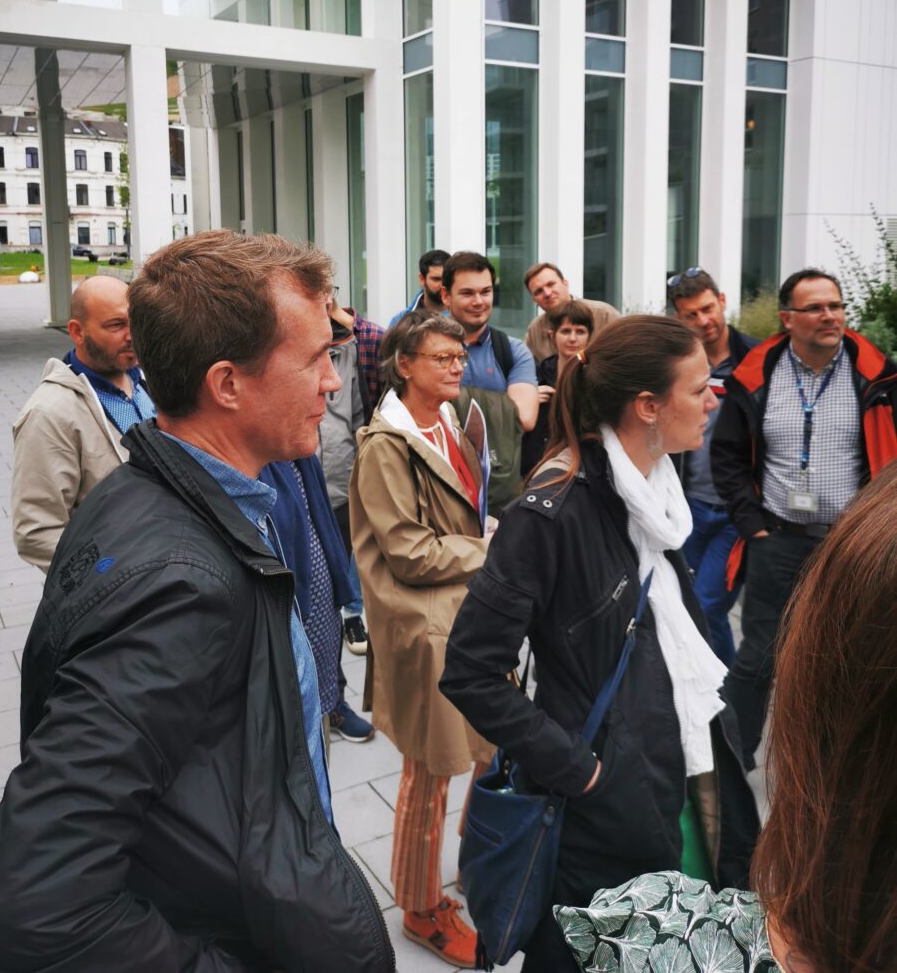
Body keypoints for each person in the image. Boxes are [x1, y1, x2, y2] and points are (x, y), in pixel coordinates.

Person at [0, 231, 394, 973]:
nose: (333, 381)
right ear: (227, 384)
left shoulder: (168, 487)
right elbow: (27, 908)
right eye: (317, 357)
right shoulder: (179, 583)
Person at [441, 316, 759, 972]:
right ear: (648, 406)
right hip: (604, 809)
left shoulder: (658, 494)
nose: (713, 398)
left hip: (682, 770)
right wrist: (580, 770)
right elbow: (470, 671)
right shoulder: (550, 514)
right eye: (698, 387)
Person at [556, 461, 897, 973]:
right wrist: (576, 766)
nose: (708, 417)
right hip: (612, 770)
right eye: (698, 394)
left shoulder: (654, 939)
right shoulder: (565, 507)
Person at [349, 310, 493, 968]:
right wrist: (489, 551)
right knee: (427, 771)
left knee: (480, 750)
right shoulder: (387, 445)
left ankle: (467, 866)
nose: (457, 366)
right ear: (404, 365)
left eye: (459, 357)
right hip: (424, 627)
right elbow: (408, 552)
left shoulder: (448, 421)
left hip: (463, 612)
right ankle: (418, 908)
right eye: (442, 358)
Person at [712, 267, 897, 769]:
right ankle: (729, 767)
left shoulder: (877, 377)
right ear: (787, 318)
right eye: (815, 308)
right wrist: (751, 523)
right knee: (757, 658)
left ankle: (832, 766)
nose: (829, 316)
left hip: (849, 544)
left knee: (847, 657)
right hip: (777, 537)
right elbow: (727, 456)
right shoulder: (757, 376)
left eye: (835, 305)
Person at [10, 273, 155, 570]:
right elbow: (36, 532)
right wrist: (111, 575)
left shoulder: (147, 382)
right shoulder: (48, 414)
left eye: (135, 322)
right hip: (123, 586)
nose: (132, 335)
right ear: (77, 332)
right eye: (116, 325)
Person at [668, 267, 759, 665]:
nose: (703, 320)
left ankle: (725, 687)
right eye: (691, 315)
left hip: (734, 511)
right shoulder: (679, 363)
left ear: (722, 302)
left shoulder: (757, 359)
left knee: (707, 605)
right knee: (683, 603)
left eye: (707, 309)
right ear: (679, 317)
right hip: (688, 504)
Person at [263, 456, 374, 747]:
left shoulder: (300, 457)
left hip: (334, 492)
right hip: (285, 628)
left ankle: (333, 704)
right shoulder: (254, 462)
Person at [442, 250, 538, 513]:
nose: (479, 301)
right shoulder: (421, 347)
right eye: (467, 293)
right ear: (446, 296)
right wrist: (500, 404)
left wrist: (449, 398)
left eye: (485, 292)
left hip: (499, 489)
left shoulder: (512, 351)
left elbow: (525, 417)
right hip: (440, 485)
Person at [318, 296, 385, 657]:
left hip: (346, 474)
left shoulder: (359, 346)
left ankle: (352, 614)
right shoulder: (285, 346)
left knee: (353, 551)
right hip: (307, 479)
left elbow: (386, 341)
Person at [521, 298, 594, 475]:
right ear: (552, 335)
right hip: (536, 466)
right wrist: (528, 399)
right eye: (566, 331)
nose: (572, 338)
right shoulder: (534, 374)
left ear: (589, 336)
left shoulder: (597, 377)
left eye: (580, 331)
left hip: (582, 468)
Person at [523, 262, 619, 364]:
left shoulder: (604, 314)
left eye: (551, 284)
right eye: (539, 291)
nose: (547, 293)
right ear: (534, 300)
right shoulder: (535, 331)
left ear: (565, 284)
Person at [389, 248, 451, 326]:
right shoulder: (400, 322)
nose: (442, 285)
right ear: (422, 279)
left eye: (446, 278)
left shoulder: (462, 317)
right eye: (436, 279)